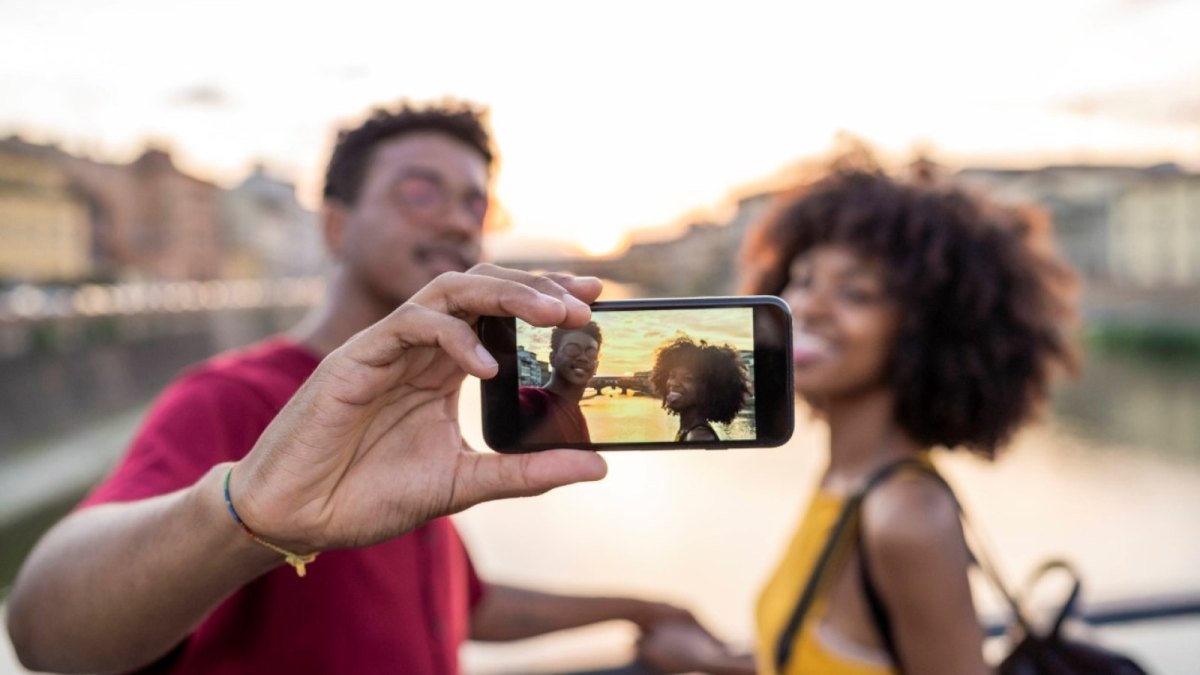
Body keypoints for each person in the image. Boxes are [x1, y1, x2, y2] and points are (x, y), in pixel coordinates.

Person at [6, 100, 709, 675]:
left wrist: (641, 608)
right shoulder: (234, 396)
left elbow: (464, 606)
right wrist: (245, 513)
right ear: (335, 224)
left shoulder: (424, 404)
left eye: (475, 202)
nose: (458, 219)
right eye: (419, 191)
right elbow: (43, 629)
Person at [636, 159, 1078, 674]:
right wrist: (712, 660)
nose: (809, 306)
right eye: (802, 280)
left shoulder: (906, 517)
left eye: (855, 293)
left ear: (926, 334)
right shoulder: (846, 479)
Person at [649, 335, 750, 442]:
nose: (674, 383)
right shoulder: (688, 431)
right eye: (672, 376)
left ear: (709, 388)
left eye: (688, 378)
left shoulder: (698, 437)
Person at [517, 321, 602, 445]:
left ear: (596, 366)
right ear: (553, 358)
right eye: (572, 349)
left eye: (591, 353)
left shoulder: (575, 412)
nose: (583, 357)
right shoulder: (533, 399)